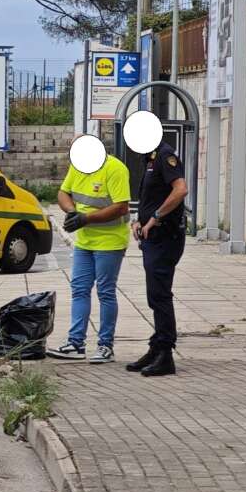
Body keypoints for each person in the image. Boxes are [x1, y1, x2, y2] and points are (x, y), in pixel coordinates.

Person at [48, 136, 133, 364]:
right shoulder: (79, 167)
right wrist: (72, 213)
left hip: (110, 241)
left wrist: (86, 218)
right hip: (85, 241)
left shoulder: (115, 169)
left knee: (105, 291)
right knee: (79, 289)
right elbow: (63, 193)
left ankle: (105, 346)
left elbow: (121, 206)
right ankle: (75, 344)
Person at [126, 140, 188, 376]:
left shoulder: (165, 155)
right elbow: (150, 197)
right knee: (155, 293)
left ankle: (165, 353)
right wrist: (138, 220)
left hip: (166, 237)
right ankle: (156, 346)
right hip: (153, 238)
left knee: (160, 294)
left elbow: (180, 189)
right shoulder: (151, 157)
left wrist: (155, 218)